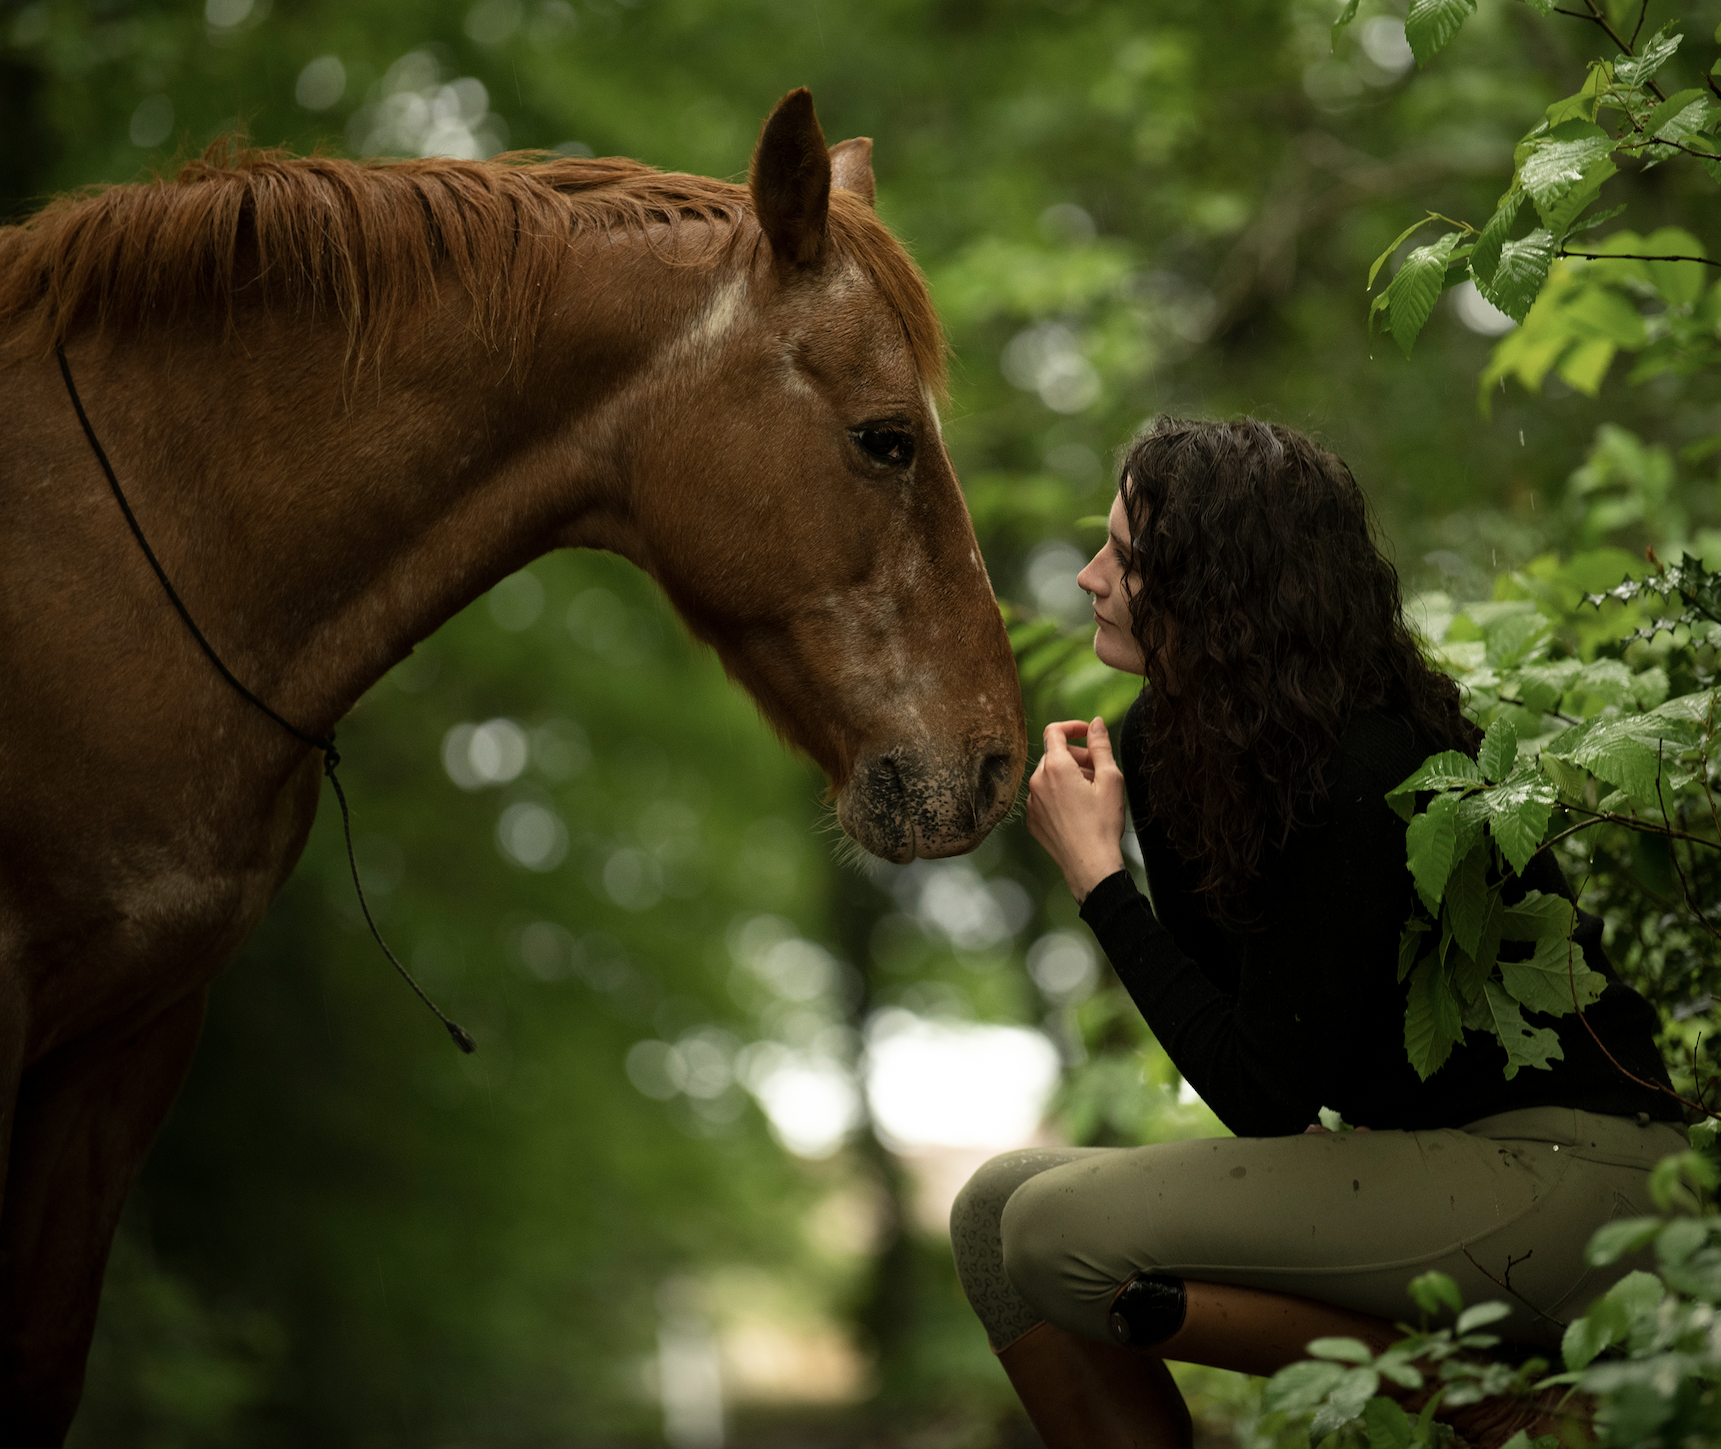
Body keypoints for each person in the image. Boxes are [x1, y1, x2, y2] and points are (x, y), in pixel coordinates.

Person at [950, 417, 1685, 1448]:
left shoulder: (1364, 759)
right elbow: (1251, 1066)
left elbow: (1261, 1097)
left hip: (1580, 1175)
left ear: (1221, 591)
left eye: (1125, 557)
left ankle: (1496, 1408)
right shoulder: (1170, 745)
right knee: (993, 1214)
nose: (1085, 578)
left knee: (1051, 1230)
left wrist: (1097, 879)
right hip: (1429, 1165)